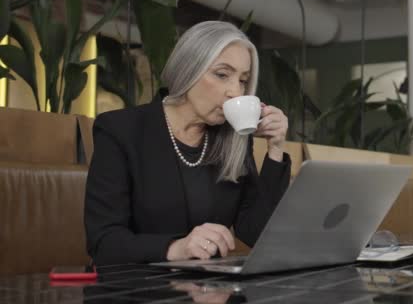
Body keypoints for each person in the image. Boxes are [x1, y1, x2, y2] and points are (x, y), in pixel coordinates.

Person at [85, 21, 290, 265]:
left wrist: (276, 150)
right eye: (222, 75)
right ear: (188, 69)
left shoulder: (233, 139)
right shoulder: (121, 130)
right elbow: (104, 242)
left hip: (210, 291)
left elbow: (256, 232)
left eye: (243, 80)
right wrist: (175, 248)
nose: (236, 92)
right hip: (140, 289)